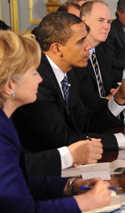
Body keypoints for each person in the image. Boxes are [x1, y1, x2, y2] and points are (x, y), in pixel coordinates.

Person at [12, 12, 125, 161]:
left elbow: (85, 123)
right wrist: (124, 140)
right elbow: (62, 139)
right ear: (57, 49)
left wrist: (119, 97)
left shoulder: (68, 72)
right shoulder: (39, 80)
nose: (88, 47)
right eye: (81, 41)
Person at [0, 30, 111, 212]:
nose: (41, 78)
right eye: (33, 73)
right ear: (10, 85)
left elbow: (21, 180)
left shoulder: (5, 121)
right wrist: (85, 202)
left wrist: (71, 185)